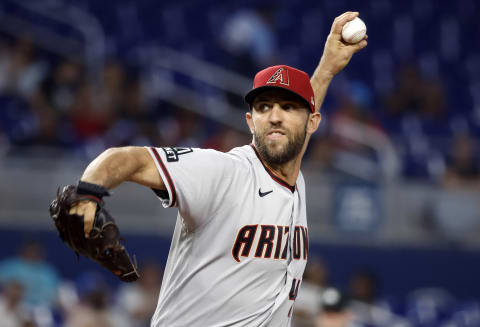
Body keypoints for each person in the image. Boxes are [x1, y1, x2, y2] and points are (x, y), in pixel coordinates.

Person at [67, 11, 367, 327]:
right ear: (250, 121)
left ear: (312, 122)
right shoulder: (223, 172)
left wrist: (327, 69)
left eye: (288, 107)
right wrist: (87, 193)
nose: (275, 117)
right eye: (264, 107)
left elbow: (295, 134)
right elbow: (130, 158)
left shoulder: (294, 178)